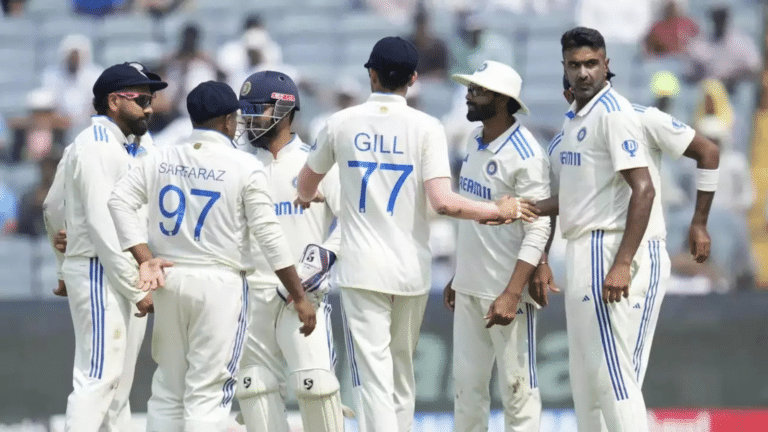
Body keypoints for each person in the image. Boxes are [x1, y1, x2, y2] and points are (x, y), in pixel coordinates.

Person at [296, 36, 526, 432]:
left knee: (374, 379)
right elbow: (444, 202)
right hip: (410, 271)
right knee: (401, 372)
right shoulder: (427, 127)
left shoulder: (340, 123)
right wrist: (497, 209)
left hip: (362, 269)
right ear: (414, 79)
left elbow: (303, 185)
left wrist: (312, 194)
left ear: (371, 74)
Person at [107, 80, 316, 431]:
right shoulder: (244, 166)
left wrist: (145, 258)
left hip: (169, 279)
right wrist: (299, 296)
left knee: (168, 390)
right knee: (208, 393)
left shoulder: (161, 157)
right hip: (220, 285)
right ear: (228, 121)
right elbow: (269, 237)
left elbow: (118, 202)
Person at [538, 73, 720, 389]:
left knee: (623, 377)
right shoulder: (563, 141)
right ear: (568, 94)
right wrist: (542, 257)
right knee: (593, 379)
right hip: (588, 256)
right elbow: (561, 200)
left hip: (641, 254)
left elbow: (708, 152)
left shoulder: (642, 118)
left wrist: (699, 222)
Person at [537, 27, 656, 431]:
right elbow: (576, 196)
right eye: (575, 65)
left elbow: (644, 189)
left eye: (591, 64)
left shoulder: (613, 113)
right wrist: (527, 209)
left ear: (606, 65)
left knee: (612, 374)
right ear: (565, 69)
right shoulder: (576, 119)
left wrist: (621, 263)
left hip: (603, 247)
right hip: (578, 248)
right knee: (587, 378)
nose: (583, 72)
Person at [56, 62, 166, 432]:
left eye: (152, 98)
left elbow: (53, 207)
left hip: (112, 270)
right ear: (114, 101)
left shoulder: (127, 145)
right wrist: (137, 289)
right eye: (142, 99)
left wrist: (61, 262)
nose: (150, 107)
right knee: (99, 377)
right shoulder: (98, 147)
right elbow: (106, 228)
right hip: (101, 269)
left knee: (117, 387)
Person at [235, 70, 347, 431]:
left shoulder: (316, 163)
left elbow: (352, 223)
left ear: (285, 110)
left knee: (315, 387)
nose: (248, 119)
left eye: (256, 110)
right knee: (255, 390)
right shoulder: (241, 166)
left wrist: (318, 263)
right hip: (252, 298)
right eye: (245, 111)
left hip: (303, 296)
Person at [444, 60, 551, 431]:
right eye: (470, 89)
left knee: (518, 392)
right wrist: (459, 274)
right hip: (470, 288)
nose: (469, 96)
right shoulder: (474, 140)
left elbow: (539, 227)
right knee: (467, 391)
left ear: (503, 100)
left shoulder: (526, 153)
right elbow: (476, 216)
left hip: (507, 294)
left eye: (478, 91)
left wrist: (512, 292)